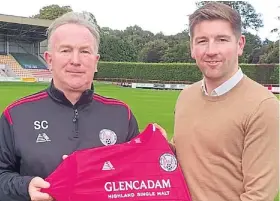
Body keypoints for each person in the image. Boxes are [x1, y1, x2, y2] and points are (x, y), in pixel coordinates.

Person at [0, 11, 139, 201]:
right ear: (49, 59)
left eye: (84, 51)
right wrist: (25, 187)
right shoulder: (15, 115)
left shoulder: (122, 114)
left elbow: (141, 175)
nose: (75, 60)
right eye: (65, 50)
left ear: (96, 61)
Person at [171, 2, 279, 201]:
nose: (211, 50)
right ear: (192, 48)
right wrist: (159, 146)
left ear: (240, 44)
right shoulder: (186, 96)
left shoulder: (263, 107)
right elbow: (188, 159)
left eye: (221, 39)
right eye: (202, 41)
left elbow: (258, 196)